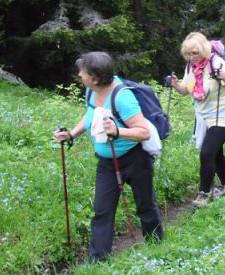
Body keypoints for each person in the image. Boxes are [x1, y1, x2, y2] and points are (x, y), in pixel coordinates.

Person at [53, 52, 163, 262]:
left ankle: (156, 249)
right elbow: (91, 113)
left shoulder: (122, 97)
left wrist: (118, 132)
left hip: (135, 158)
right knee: (102, 210)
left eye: (82, 72)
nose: (79, 74)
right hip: (107, 161)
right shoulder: (91, 91)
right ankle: (98, 262)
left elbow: (143, 132)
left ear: (95, 77)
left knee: (145, 206)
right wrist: (71, 135)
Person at [170, 33, 225, 208]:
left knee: (206, 153)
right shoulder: (191, 66)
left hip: (222, 116)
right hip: (203, 117)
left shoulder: (216, 63)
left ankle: (204, 194)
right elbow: (185, 90)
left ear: (203, 50)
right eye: (188, 54)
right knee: (216, 153)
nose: (191, 57)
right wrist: (175, 85)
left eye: (194, 53)